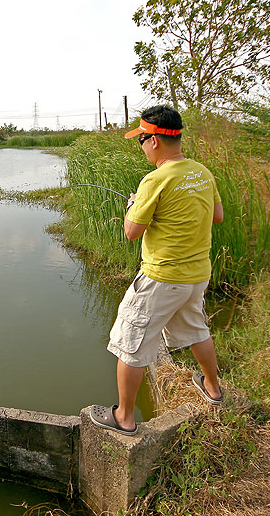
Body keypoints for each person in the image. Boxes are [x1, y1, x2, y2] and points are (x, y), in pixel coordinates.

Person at [90, 105, 224, 436]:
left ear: (154, 141)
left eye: (141, 140)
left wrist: (134, 204)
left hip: (161, 279)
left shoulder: (154, 180)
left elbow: (132, 232)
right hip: (196, 276)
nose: (142, 147)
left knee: (130, 343)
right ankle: (214, 389)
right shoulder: (201, 172)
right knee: (196, 329)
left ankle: (124, 417)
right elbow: (217, 215)